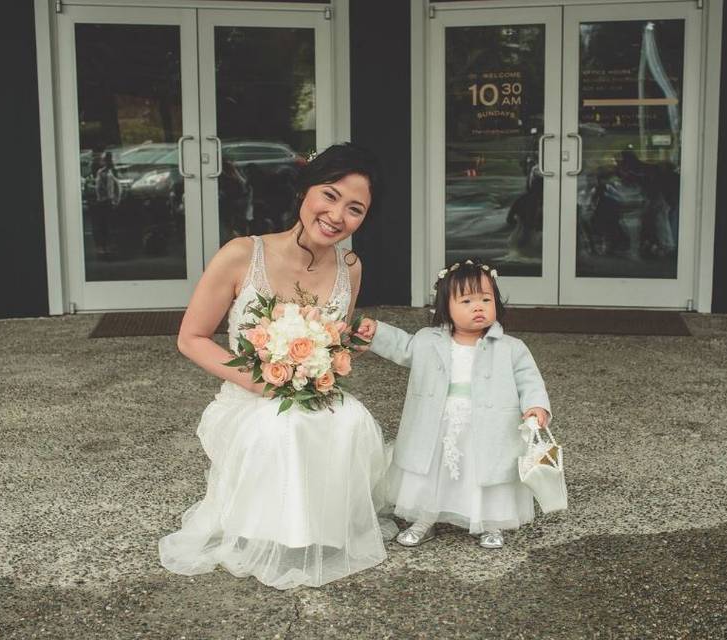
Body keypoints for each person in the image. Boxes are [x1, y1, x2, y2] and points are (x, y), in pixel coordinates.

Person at [159, 143, 396, 590]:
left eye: (355, 209)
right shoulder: (241, 254)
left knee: (352, 421)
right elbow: (190, 338)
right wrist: (257, 380)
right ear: (305, 190)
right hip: (249, 395)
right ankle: (274, 533)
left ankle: (320, 529)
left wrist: (346, 346)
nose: (336, 215)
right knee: (282, 427)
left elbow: (331, 339)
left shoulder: (351, 267)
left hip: (309, 389)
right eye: (329, 195)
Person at [357, 260, 551, 549]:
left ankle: (488, 521)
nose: (478, 307)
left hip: (486, 425)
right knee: (433, 471)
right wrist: (376, 333)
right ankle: (425, 517)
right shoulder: (428, 341)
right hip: (437, 422)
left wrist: (536, 406)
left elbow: (529, 379)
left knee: (482, 471)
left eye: (486, 299)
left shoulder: (511, 348)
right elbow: (402, 347)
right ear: (444, 307)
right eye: (467, 300)